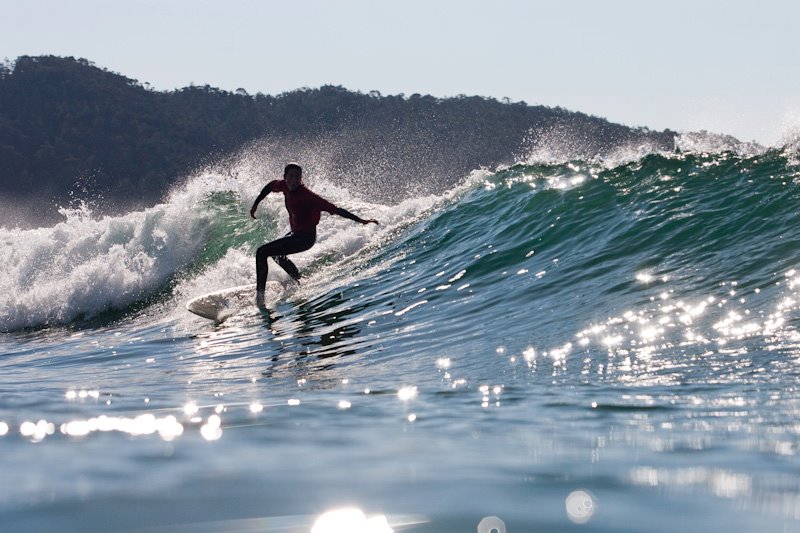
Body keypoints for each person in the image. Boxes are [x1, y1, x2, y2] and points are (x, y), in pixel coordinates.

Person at [249, 163, 378, 302]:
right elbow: (269, 186)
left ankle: (260, 297)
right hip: (295, 234)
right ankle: (300, 280)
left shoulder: (308, 197)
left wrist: (361, 220)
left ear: (301, 179)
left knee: (261, 252)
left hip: (305, 238)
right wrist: (256, 204)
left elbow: (336, 209)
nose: (294, 180)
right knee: (276, 255)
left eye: (297, 177)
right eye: (291, 177)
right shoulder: (283, 186)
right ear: (285, 177)